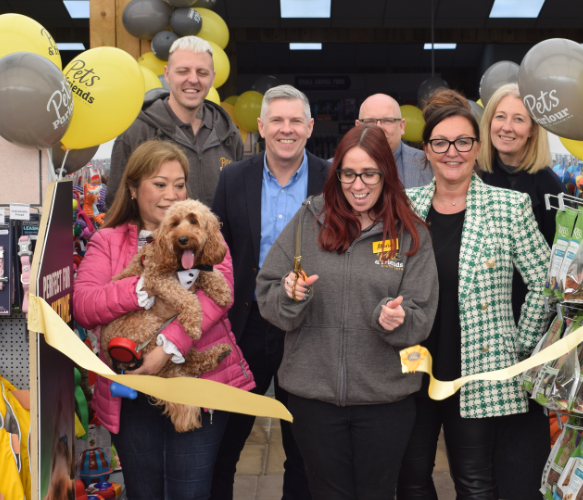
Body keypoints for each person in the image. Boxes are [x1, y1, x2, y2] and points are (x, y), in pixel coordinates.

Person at [255, 125, 438, 500]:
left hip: (385, 399)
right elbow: (267, 289)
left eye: (369, 173)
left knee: (377, 492)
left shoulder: (410, 232)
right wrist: (291, 294)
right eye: (348, 173)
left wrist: (397, 321)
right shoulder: (310, 220)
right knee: (326, 492)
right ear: (336, 174)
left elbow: (422, 313)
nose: (358, 185)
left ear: (387, 174)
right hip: (313, 397)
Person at [73, 140, 255, 499]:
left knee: (191, 492)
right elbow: (85, 304)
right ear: (132, 188)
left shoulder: (205, 235)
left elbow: (219, 298)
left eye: (179, 184)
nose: (171, 194)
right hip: (133, 392)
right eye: (159, 184)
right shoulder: (107, 242)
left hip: (200, 384)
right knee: (144, 492)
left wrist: (164, 350)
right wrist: (143, 287)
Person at [396, 93, 552, 500]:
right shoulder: (404, 208)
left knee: (476, 482)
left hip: (478, 368)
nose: (452, 152)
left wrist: (518, 346)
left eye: (463, 142)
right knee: (409, 477)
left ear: (477, 148)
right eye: (440, 143)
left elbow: (544, 282)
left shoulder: (509, 206)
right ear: (426, 151)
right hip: (414, 370)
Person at [209, 85, 329, 500]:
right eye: (277, 120)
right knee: (225, 442)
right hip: (246, 324)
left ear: (310, 127)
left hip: (309, 326)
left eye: (296, 120)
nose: (286, 129)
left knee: (304, 447)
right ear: (260, 127)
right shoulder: (232, 177)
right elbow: (217, 253)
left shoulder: (331, 178)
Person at [477, 83, 563, 500]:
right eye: (500, 116)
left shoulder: (550, 187)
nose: (507, 127)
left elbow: (555, 272)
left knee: (521, 440)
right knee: (477, 444)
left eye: (519, 119)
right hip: (476, 326)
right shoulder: (470, 176)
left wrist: (530, 338)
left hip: (529, 333)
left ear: (533, 130)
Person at [106, 36, 243, 210]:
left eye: (202, 72)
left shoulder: (229, 133)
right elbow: (115, 206)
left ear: (212, 77)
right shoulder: (137, 131)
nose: (193, 79)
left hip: (217, 238)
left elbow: (238, 204)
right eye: (183, 71)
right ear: (167, 74)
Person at [356, 93, 432, 188]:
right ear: (358, 127)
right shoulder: (336, 167)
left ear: (401, 126)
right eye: (370, 121)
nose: (379, 128)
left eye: (388, 120)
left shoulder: (429, 164)